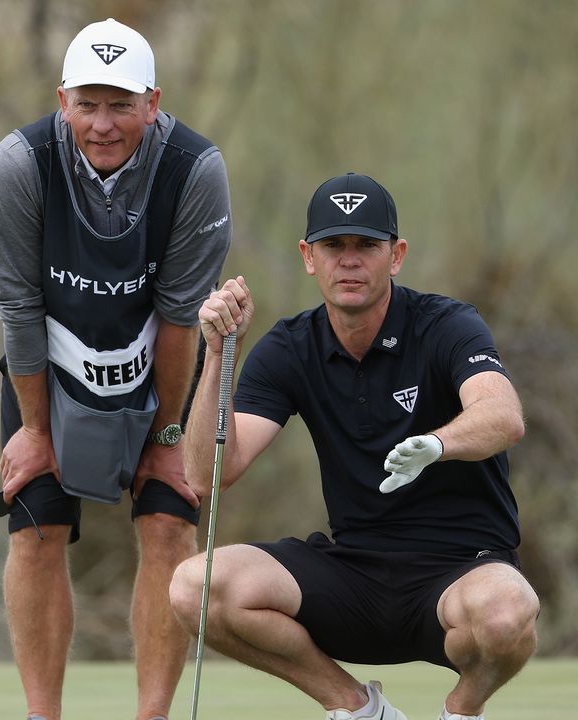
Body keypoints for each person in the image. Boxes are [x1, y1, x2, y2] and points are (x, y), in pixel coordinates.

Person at [170, 172, 539, 720]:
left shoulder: (446, 325)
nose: (349, 260)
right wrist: (219, 357)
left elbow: (503, 415)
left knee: (508, 613)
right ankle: (358, 710)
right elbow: (206, 475)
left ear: (396, 255)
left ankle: (460, 712)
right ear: (307, 256)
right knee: (193, 586)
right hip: (355, 572)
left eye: (366, 245)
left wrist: (438, 444)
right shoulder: (291, 348)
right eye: (333, 246)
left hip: (462, 571)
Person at [0, 17, 232, 720]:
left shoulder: (195, 170)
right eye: (88, 103)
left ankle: (151, 716)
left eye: (121, 104)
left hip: (164, 361)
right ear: (62, 102)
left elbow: (181, 318)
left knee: (168, 528)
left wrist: (166, 439)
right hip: (47, 360)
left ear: (153, 103)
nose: (103, 124)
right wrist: (35, 430)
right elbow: (18, 308)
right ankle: (43, 715)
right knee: (35, 531)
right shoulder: (20, 164)